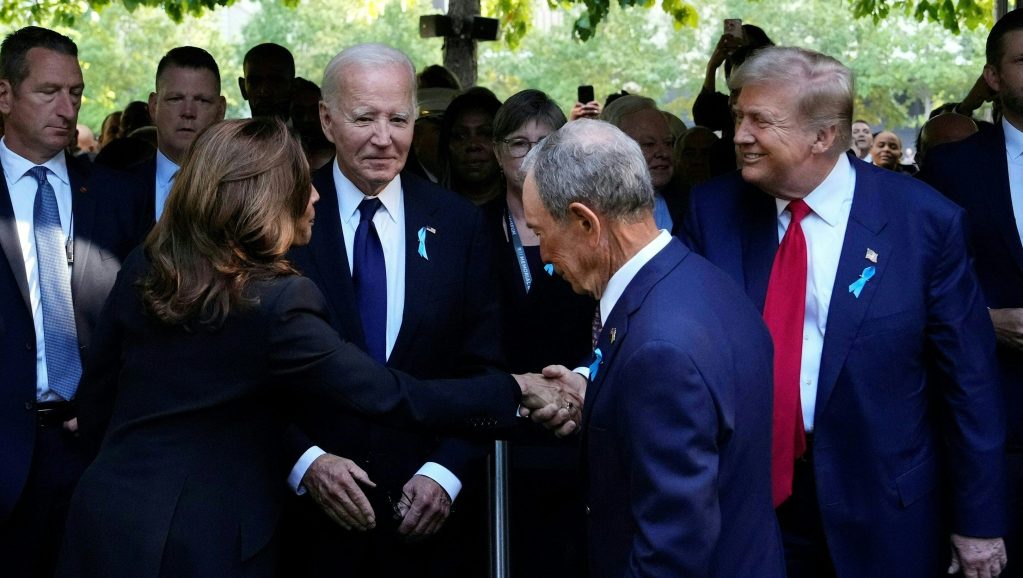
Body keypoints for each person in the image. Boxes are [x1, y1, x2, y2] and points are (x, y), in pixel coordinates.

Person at [55, 118, 571, 578]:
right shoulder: (278, 301)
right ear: (267, 196)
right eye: (302, 184)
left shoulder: (146, 265)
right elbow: (388, 394)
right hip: (210, 539)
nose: (318, 196)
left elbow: (98, 402)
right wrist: (514, 390)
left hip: (107, 519)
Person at [683, 46, 1008, 577]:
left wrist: (979, 520)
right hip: (746, 504)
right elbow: (677, 340)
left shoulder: (923, 223)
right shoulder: (712, 211)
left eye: (760, 121)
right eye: (740, 116)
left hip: (885, 510)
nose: (739, 134)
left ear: (823, 135)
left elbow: (968, 383)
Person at [522, 119, 784, 577]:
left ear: (586, 222)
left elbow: (672, 552)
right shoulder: (703, 281)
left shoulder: (660, 350)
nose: (542, 255)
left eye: (542, 233)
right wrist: (593, 388)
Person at [281, 44, 504, 578]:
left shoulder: (459, 225)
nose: (384, 138)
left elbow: (486, 369)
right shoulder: (282, 219)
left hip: (431, 531)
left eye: (398, 119)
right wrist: (307, 462)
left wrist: (445, 472)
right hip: (308, 532)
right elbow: (250, 371)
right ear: (327, 120)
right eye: (364, 118)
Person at [0, 26, 146, 577]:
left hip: (96, 448)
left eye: (77, 93)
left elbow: (144, 318)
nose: (67, 108)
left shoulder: (116, 196)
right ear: (4, 95)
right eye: (49, 92)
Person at [919, 9, 1023, 576]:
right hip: (994, 428)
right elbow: (914, 293)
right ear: (993, 77)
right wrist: (984, 320)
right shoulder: (953, 168)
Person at [483, 89, 594, 578]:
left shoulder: (582, 225)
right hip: (498, 425)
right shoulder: (471, 227)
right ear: (497, 150)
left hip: (572, 416)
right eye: (517, 143)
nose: (530, 154)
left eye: (544, 142)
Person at [135, 46, 226, 228]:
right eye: (175, 99)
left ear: (220, 110)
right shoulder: (118, 191)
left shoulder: (243, 190)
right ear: (153, 106)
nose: (188, 112)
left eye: (202, 100)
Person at [600, 95, 678, 231]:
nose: (664, 153)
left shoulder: (690, 205)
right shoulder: (592, 210)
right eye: (649, 144)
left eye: (668, 143)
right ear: (612, 149)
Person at [439, 86, 503, 205]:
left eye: (485, 134)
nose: (473, 145)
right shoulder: (429, 209)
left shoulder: (525, 211)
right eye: (460, 135)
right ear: (447, 145)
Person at [238, 42, 295, 121]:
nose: (264, 91)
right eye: (255, 82)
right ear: (243, 88)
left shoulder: (311, 132)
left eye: (275, 81)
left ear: (293, 87)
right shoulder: (230, 133)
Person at [290, 77, 334, 171]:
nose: (308, 119)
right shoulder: (284, 156)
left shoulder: (341, 155)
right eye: (299, 112)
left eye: (315, 111)